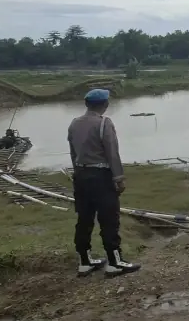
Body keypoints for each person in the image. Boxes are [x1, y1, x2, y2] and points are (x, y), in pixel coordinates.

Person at [68, 88, 140, 278]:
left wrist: (78, 173)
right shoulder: (104, 123)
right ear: (105, 105)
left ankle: (85, 261)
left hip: (81, 175)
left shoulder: (74, 123)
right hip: (101, 176)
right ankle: (115, 263)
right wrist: (119, 178)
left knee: (84, 219)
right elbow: (112, 152)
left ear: (86, 104)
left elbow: (73, 152)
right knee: (109, 219)